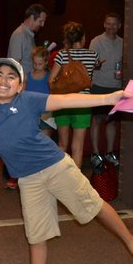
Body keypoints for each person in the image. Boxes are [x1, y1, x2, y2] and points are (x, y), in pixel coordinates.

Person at [0, 58, 133, 264]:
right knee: (36, 235)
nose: (4, 80)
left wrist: (110, 98)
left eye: (11, 77)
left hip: (55, 166)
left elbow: (66, 100)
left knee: (94, 205)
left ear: (21, 85)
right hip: (28, 179)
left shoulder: (28, 100)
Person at [48, 21, 99, 168]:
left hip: (63, 102)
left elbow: (51, 81)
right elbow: (91, 77)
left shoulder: (61, 55)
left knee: (62, 144)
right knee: (78, 146)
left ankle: (58, 178)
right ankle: (75, 182)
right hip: (83, 103)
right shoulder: (92, 55)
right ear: (83, 37)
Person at [89, 12, 124, 170]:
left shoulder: (123, 43)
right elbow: (90, 65)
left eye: (114, 24)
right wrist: (97, 65)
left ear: (119, 26)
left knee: (112, 121)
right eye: (108, 23)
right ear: (104, 24)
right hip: (99, 85)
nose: (111, 27)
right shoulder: (96, 41)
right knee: (96, 120)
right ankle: (95, 153)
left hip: (116, 87)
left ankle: (109, 152)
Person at [8, 4, 48, 77]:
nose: (42, 25)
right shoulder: (20, 34)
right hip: (23, 84)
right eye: (41, 21)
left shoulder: (27, 35)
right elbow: (14, 64)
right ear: (32, 17)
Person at [25, 46, 52, 137]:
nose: (36, 66)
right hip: (30, 114)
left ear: (46, 62)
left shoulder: (49, 77)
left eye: (40, 64)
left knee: (45, 140)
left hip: (46, 115)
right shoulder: (27, 77)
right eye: (35, 63)